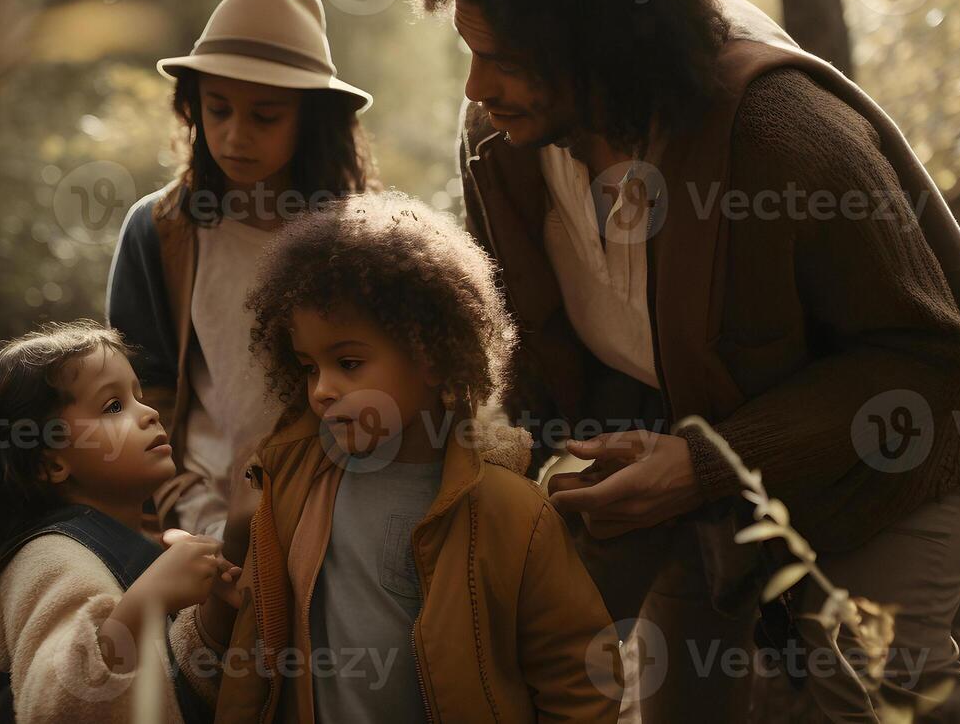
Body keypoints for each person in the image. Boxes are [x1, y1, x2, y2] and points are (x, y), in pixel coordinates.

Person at [394, 0, 960, 721]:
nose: (475, 88)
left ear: (599, 48)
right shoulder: (505, 138)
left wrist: (703, 465)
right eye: (470, 52)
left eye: (501, 58)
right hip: (687, 425)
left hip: (901, 444)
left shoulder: (782, 135)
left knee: (866, 676)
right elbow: (535, 339)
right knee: (656, 681)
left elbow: (921, 361)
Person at [177, 192, 624, 722]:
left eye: (348, 361)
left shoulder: (512, 516)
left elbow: (580, 680)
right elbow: (252, 651)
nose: (322, 389)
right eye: (308, 366)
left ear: (433, 357)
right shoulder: (290, 487)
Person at [106, 0, 376, 539]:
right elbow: (140, 385)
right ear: (193, 106)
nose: (235, 135)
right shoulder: (160, 232)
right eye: (219, 108)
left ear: (313, 119)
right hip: (196, 525)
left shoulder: (361, 241)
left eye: (265, 116)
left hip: (334, 520)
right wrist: (167, 502)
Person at [0, 320, 238, 722]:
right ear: (50, 462)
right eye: (114, 407)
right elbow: (60, 705)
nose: (150, 413)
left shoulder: (122, 544)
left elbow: (162, 684)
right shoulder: (50, 561)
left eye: (138, 396)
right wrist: (150, 598)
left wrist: (213, 622)